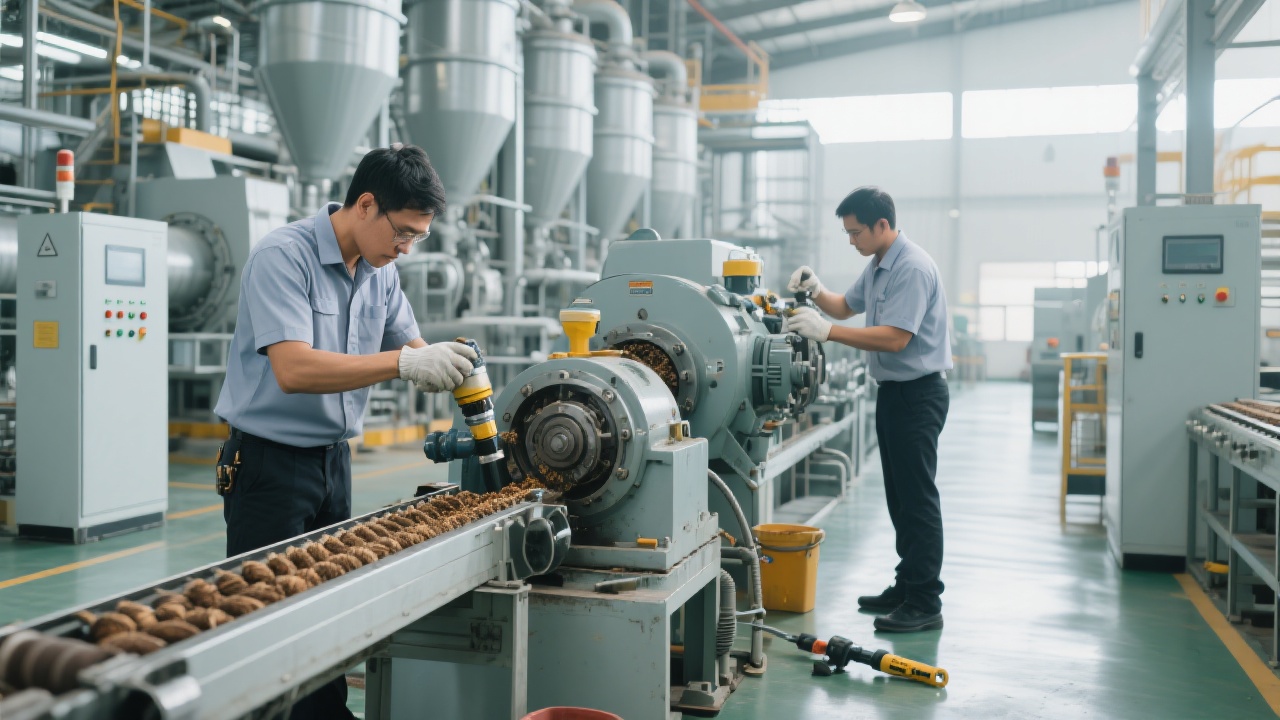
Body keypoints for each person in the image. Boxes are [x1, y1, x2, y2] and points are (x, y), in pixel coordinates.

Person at [212, 144, 476, 717]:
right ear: (364, 205)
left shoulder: (380, 273)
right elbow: (294, 368)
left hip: (333, 463)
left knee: (328, 612)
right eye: (403, 232)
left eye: (418, 239)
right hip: (268, 467)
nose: (406, 248)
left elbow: (412, 345)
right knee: (266, 622)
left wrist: (456, 370)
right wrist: (405, 365)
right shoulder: (285, 257)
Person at [784, 186, 952, 633]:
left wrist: (829, 333)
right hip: (895, 393)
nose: (852, 240)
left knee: (917, 498)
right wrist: (816, 289)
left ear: (882, 225)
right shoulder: (878, 265)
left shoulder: (911, 268)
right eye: (847, 233)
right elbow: (844, 306)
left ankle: (925, 600)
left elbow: (896, 337)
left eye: (856, 232)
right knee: (899, 497)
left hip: (919, 394)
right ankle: (907, 582)